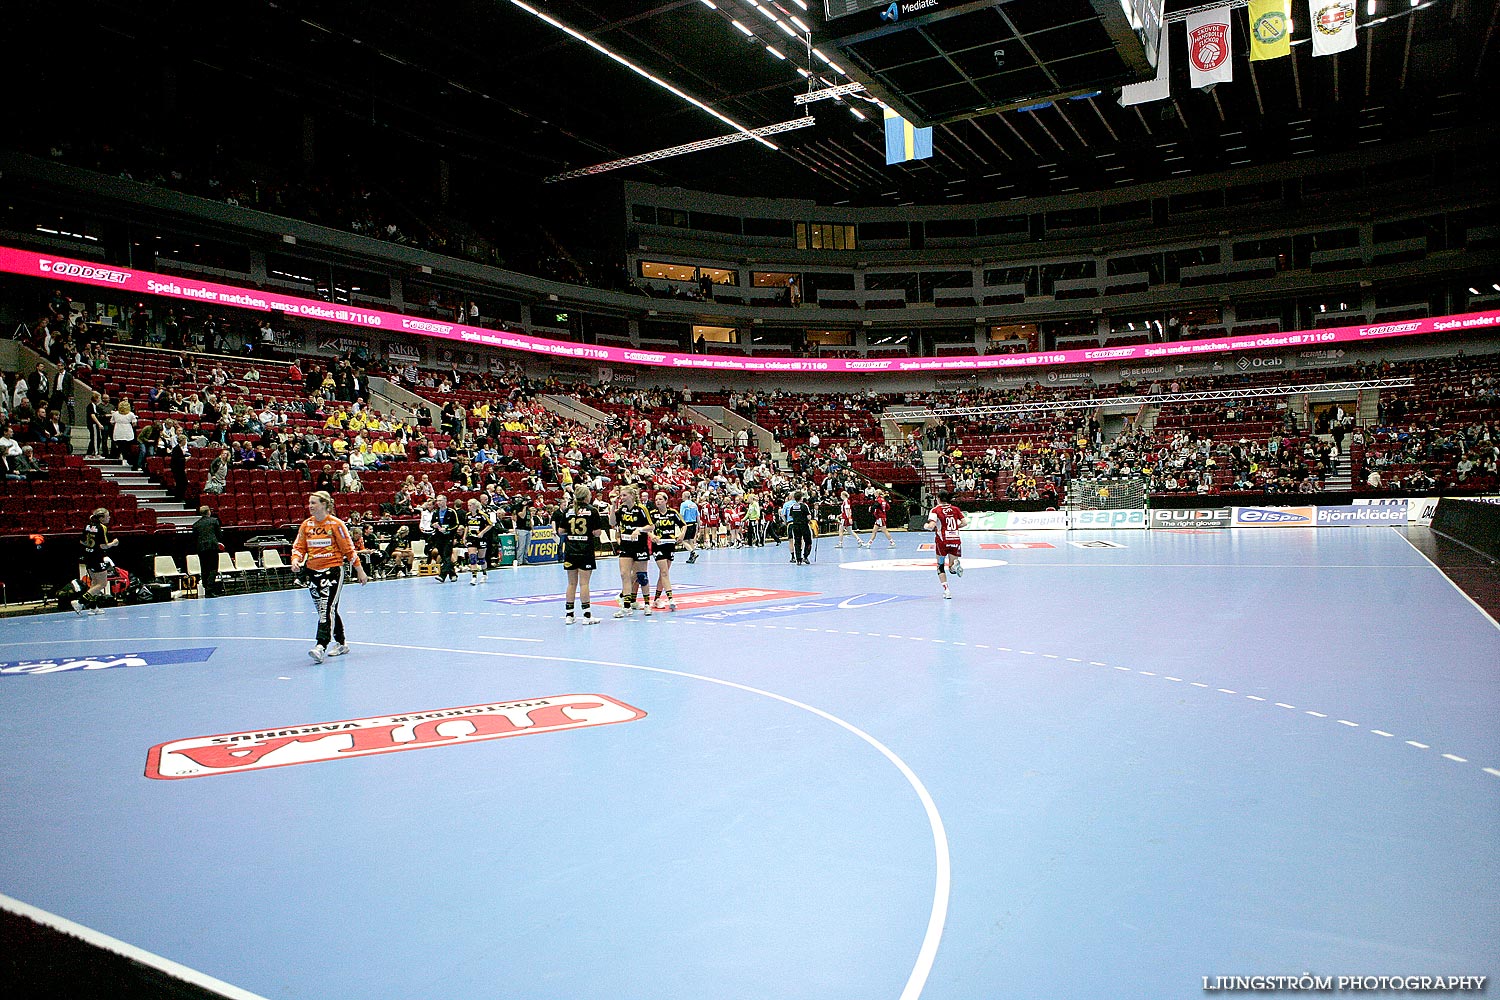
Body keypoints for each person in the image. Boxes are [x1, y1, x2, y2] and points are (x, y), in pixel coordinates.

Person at [290, 490, 368, 663]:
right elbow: (299, 547)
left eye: (313, 503)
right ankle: (341, 642)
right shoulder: (306, 525)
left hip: (332, 570)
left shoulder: (336, 524)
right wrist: (296, 560)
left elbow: (348, 549)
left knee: (326, 608)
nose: (310, 506)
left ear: (324, 504)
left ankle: (320, 645)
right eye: (309, 503)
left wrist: (359, 570)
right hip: (312, 571)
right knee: (325, 609)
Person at [554, 485, 607, 625]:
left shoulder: (568, 510)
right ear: (587, 496)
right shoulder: (592, 511)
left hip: (571, 550)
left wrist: (572, 534)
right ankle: (587, 616)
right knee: (584, 584)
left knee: (571, 583)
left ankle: (569, 615)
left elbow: (560, 531)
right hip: (585, 551)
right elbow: (597, 532)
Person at [611, 485, 654, 618]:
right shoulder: (622, 509)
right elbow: (612, 522)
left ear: (631, 496)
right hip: (626, 545)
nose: (621, 498)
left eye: (624, 495)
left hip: (639, 546)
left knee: (641, 576)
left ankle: (647, 604)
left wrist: (639, 529)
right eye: (621, 495)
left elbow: (651, 526)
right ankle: (626, 607)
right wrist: (612, 507)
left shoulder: (641, 509)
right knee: (625, 575)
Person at [74, 507, 119, 615]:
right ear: (102, 518)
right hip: (96, 557)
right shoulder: (101, 527)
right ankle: (80, 602)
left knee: (94, 583)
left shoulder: (88, 525)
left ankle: (93, 607)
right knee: (102, 583)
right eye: (107, 516)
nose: (109, 518)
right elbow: (103, 546)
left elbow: (82, 541)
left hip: (87, 556)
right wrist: (114, 543)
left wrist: (90, 548)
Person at [925, 490, 967, 600]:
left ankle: (947, 590)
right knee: (952, 569)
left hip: (942, 541)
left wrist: (926, 526)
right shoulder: (955, 509)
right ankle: (955, 565)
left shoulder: (935, 510)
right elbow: (964, 523)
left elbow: (932, 525)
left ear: (938, 498)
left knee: (940, 566)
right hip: (955, 539)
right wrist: (955, 528)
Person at [649, 491, 687, 611]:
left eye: (660, 499)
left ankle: (656, 599)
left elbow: (684, 525)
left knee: (663, 573)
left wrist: (681, 534)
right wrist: (651, 535)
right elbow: (647, 527)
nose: (658, 501)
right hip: (659, 545)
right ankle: (671, 599)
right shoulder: (652, 514)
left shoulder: (672, 513)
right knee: (664, 572)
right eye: (656, 500)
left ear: (666, 501)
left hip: (670, 545)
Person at [191, 505, 223, 598]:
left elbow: (194, 538)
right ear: (209, 512)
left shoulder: (196, 524)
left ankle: (206, 587)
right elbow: (219, 535)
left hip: (201, 548)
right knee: (213, 568)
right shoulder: (214, 521)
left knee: (204, 568)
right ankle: (210, 589)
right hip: (212, 547)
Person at [429, 494, 461, 582]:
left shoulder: (451, 512)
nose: (438, 503)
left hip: (448, 537)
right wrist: (433, 525)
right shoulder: (435, 512)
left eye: (440, 501)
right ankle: (452, 574)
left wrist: (447, 529)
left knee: (447, 554)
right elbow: (432, 523)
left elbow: (456, 524)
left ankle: (442, 575)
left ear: (445, 501)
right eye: (437, 501)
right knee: (443, 556)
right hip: (439, 537)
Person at [464, 497, 495, 585]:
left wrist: (482, 532)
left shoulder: (482, 515)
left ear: (474, 506)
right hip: (471, 538)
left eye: (470, 505)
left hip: (481, 538)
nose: (468, 507)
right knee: (472, 557)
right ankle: (474, 577)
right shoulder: (468, 515)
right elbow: (467, 526)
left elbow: (490, 524)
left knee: (481, 559)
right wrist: (464, 537)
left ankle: (484, 574)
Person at [786, 490, 814, 565]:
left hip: (795, 526)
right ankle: (805, 556)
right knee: (808, 541)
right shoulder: (804, 506)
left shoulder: (793, 506)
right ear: (801, 498)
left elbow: (791, 515)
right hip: (804, 525)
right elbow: (808, 516)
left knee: (797, 542)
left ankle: (798, 559)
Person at [679, 492, 701, 564]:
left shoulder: (683, 504)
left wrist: (681, 525)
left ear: (685, 496)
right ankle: (691, 557)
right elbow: (697, 516)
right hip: (694, 524)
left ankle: (693, 552)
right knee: (690, 541)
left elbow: (681, 515)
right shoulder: (694, 505)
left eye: (682, 495)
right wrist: (699, 525)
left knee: (683, 540)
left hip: (687, 524)